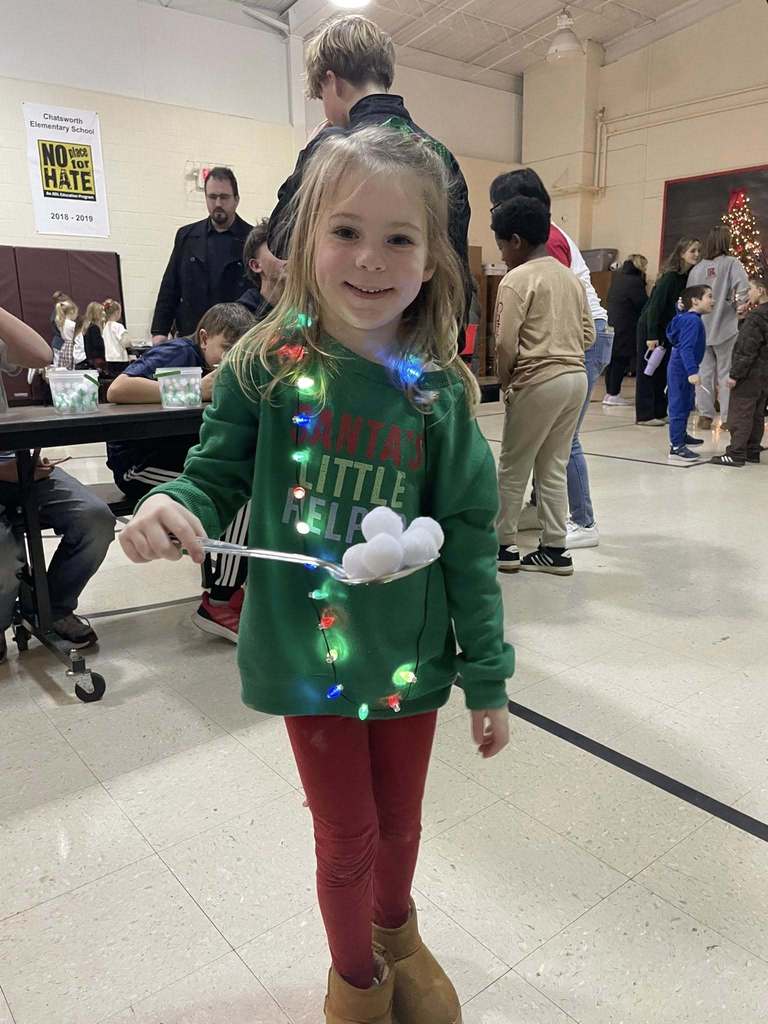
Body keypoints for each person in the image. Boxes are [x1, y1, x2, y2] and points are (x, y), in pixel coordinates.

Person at [118, 125, 513, 1024]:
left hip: (410, 658)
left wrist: (487, 675)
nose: (370, 261)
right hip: (308, 655)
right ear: (303, 241)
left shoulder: (437, 389)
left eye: (399, 238)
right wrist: (174, 506)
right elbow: (213, 477)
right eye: (345, 232)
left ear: (431, 257)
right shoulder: (264, 364)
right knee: (347, 837)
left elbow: (470, 535)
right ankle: (356, 986)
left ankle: (398, 937)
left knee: (402, 828)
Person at [267, 13, 472, 314]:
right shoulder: (440, 156)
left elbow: (283, 239)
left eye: (321, 95)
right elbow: (456, 271)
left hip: (342, 336)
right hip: (417, 343)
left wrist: (308, 152)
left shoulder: (329, 150)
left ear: (330, 81)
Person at [107, 303, 255, 643]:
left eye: (240, 352)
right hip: (138, 465)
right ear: (204, 338)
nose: (232, 359)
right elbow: (118, 389)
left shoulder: (230, 371)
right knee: (242, 499)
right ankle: (220, 601)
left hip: (180, 459)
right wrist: (195, 390)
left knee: (246, 485)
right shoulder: (178, 351)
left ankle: (233, 589)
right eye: (228, 349)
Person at [489, 169, 610, 549]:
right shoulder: (571, 278)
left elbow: (506, 342)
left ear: (516, 240)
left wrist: (508, 381)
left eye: (501, 247)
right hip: (575, 377)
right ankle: (555, 548)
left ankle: (503, 545)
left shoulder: (516, 279)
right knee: (553, 465)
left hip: (538, 379)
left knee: (513, 466)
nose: (501, 255)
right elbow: (589, 332)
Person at [0, 307, 115, 662]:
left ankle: (51, 606)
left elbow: (39, 354)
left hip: (13, 458)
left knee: (95, 517)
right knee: (4, 555)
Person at [150, 167, 253, 342]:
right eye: (212, 197)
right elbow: (170, 286)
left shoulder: (252, 240)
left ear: (236, 200)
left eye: (224, 197)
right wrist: (159, 331)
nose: (218, 203)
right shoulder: (186, 236)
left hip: (237, 338)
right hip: (192, 335)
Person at [687, 225, 750, 430]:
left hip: (700, 327)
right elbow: (743, 289)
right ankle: (727, 417)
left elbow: (688, 296)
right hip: (725, 326)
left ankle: (705, 416)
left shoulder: (696, 269)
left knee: (704, 373)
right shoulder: (732, 263)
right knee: (726, 373)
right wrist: (740, 306)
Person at [635, 237, 701, 426]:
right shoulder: (670, 277)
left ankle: (659, 410)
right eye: (692, 251)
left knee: (662, 371)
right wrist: (651, 335)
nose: (696, 254)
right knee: (648, 371)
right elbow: (655, 306)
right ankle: (645, 414)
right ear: (681, 253)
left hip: (667, 329)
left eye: (698, 251)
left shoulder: (686, 278)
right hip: (651, 326)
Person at [711, 275, 768, 467]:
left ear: (761, 291)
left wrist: (735, 374)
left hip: (750, 373)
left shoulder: (757, 316)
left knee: (741, 412)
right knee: (756, 413)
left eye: (750, 289)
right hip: (764, 375)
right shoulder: (758, 315)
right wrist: (742, 320)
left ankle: (736, 453)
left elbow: (746, 348)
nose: (748, 293)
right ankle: (752, 450)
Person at [665, 285, 713, 461]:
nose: (713, 301)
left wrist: (678, 310)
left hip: (681, 366)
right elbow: (686, 347)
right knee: (679, 405)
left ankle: (681, 436)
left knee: (685, 403)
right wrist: (692, 371)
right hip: (682, 368)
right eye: (709, 296)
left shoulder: (686, 318)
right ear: (695, 301)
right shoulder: (692, 321)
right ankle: (676, 446)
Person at [604, 255, 648, 404]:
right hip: (627, 325)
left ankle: (609, 393)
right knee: (620, 360)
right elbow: (642, 304)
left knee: (612, 359)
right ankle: (614, 394)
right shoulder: (635, 282)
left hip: (612, 322)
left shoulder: (619, 278)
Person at [237, 218, 286, 320]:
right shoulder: (242, 319)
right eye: (277, 249)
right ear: (255, 265)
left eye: (289, 248)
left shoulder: (308, 310)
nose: (287, 256)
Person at [102, 298, 130, 371]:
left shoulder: (105, 327)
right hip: (120, 359)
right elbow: (126, 342)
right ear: (117, 312)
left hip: (109, 358)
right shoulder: (118, 326)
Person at [82, 301, 106, 373]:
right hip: (97, 358)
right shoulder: (94, 328)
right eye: (101, 312)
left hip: (91, 358)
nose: (103, 313)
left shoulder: (87, 326)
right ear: (96, 314)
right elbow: (97, 344)